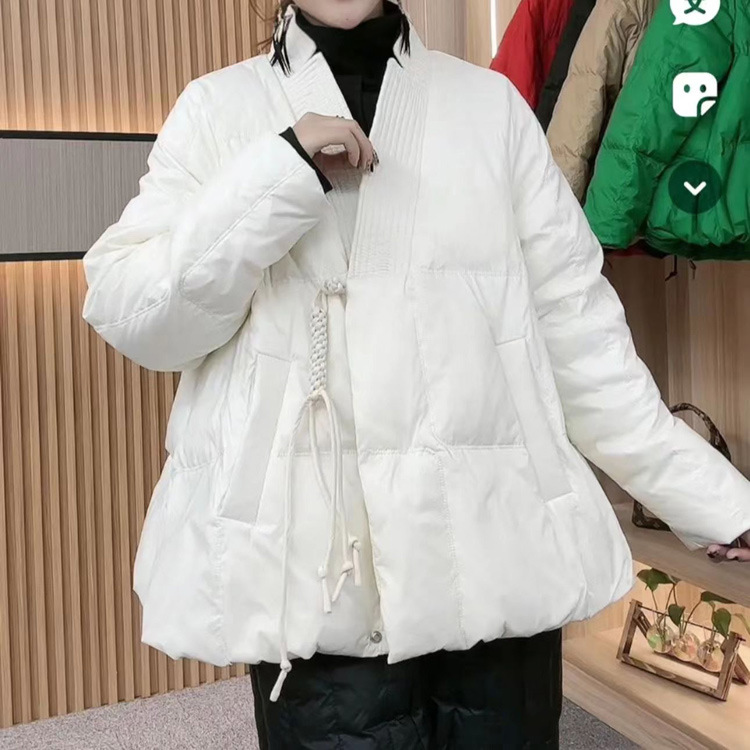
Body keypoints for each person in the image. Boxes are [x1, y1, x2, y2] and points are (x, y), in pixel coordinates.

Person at [80, 1, 750, 747]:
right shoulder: (218, 109)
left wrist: (715, 499)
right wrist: (280, 171)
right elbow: (138, 315)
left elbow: (580, 335)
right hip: (319, 573)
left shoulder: (490, 108)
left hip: (494, 551)